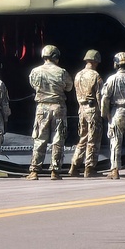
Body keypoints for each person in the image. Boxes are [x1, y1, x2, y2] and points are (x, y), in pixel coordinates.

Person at [26, 44, 74, 181]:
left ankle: (34, 171)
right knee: (58, 139)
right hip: (58, 107)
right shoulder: (62, 72)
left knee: (40, 139)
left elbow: (33, 85)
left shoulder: (35, 71)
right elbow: (69, 87)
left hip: (42, 107)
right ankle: (55, 171)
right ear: (55, 57)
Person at [69, 50, 103, 178]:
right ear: (96, 61)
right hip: (93, 110)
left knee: (82, 138)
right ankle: (89, 168)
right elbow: (100, 96)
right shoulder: (95, 75)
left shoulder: (78, 75)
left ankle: (74, 166)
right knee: (93, 139)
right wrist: (104, 112)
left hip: (81, 110)